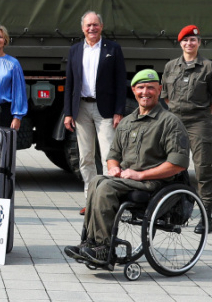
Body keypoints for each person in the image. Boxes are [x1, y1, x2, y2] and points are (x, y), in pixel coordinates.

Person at [65, 69, 190, 266]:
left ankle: (104, 248)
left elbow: (178, 164)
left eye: (150, 87)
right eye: (141, 87)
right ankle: (90, 242)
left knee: (105, 188)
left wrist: (141, 175)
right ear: (133, 90)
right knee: (97, 180)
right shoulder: (127, 122)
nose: (145, 92)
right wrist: (113, 167)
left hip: (153, 184)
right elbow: (113, 155)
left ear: (159, 89)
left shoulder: (170, 122)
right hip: (127, 180)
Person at [161, 24, 212, 234]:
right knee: (171, 168)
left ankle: (205, 215)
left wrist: (204, 114)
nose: (189, 43)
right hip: (175, 122)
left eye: (193, 40)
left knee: (203, 169)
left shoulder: (208, 67)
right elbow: (165, 95)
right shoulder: (171, 66)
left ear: (199, 43)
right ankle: (170, 211)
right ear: (180, 43)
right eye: (186, 40)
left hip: (199, 122)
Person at [63, 10, 127, 213]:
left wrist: (119, 110)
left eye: (95, 25)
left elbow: (120, 81)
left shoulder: (113, 49)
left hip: (105, 110)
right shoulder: (75, 50)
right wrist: (68, 112)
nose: (92, 28)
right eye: (88, 25)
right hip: (81, 108)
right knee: (85, 157)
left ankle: (109, 200)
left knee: (109, 156)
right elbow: (70, 82)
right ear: (82, 28)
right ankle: (90, 200)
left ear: (101, 26)